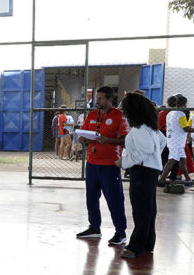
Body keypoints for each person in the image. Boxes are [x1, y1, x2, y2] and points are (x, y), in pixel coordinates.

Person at [76, 86, 129, 246]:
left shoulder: (119, 116)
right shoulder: (92, 115)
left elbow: (126, 140)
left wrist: (109, 140)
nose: (96, 101)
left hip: (110, 164)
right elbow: (83, 133)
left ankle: (120, 233)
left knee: (114, 199)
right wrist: (83, 138)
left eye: (100, 98)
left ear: (110, 99)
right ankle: (94, 228)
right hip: (92, 163)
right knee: (91, 197)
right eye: (96, 98)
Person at [118, 91, 166, 259]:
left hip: (142, 172)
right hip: (151, 170)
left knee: (141, 210)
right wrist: (155, 158)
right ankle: (147, 243)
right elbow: (162, 142)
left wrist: (123, 162)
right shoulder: (150, 128)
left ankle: (136, 246)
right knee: (149, 209)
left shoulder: (139, 129)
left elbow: (143, 153)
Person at [159, 94, 194, 185]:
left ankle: (187, 179)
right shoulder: (181, 114)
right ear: (184, 104)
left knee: (183, 159)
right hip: (177, 141)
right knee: (172, 159)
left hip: (172, 139)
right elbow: (185, 128)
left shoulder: (170, 112)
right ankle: (162, 179)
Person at [158, 96, 175, 167]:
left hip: (163, 133)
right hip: (173, 134)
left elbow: (158, 125)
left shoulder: (162, 112)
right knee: (170, 153)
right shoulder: (176, 113)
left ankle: (161, 169)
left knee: (163, 152)